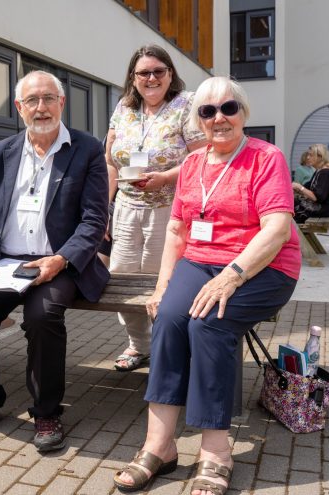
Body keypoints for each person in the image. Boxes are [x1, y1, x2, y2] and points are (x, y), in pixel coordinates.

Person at [113, 76, 300, 494]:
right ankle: (159, 447)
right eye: (207, 111)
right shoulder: (194, 164)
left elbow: (276, 230)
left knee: (208, 323)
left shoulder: (266, 158)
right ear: (197, 119)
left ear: (243, 113)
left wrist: (231, 277)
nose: (218, 118)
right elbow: (177, 231)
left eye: (228, 108)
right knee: (168, 321)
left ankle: (215, 452)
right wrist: (162, 288)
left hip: (263, 267)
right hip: (200, 262)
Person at [0, 70, 109, 452]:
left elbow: (94, 219)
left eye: (48, 99)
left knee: (42, 318)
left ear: (62, 103)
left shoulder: (87, 149)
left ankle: (46, 411)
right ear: (20, 108)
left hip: (58, 260)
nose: (41, 108)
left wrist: (61, 259)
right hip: (5, 263)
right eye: (32, 101)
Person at [106, 44, 205, 371]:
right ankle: (140, 345)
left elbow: (202, 157)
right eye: (143, 72)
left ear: (170, 73)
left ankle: (169, 348)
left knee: (160, 283)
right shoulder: (123, 107)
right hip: (126, 209)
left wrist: (164, 178)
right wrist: (103, 207)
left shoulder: (186, 105)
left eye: (157, 71)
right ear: (133, 78)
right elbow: (109, 160)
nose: (151, 78)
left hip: (170, 210)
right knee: (120, 281)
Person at [292, 143, 329, 223]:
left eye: (311, 155)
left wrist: (299, 187)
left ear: (320, 157)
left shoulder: (325, 173)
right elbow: (307, 187)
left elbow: (317, 197)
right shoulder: (318, 171)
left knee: (292, 207)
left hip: (323, 209)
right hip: (318, 207)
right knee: (292, 201)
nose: (308, 158)